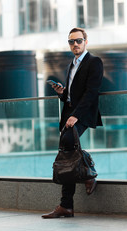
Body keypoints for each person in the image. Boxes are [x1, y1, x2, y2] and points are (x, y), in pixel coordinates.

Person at [42, 27, 103, 219]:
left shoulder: (94, 62)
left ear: (86, 42)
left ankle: (88, 174)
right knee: (68, 152)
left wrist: (76, 115)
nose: (75, 44)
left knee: (68, 147)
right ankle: (67, 205)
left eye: (78, 41)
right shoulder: (72, 64)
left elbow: (92, 92)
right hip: (69, 113)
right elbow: (73, 93)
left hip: (82, 114)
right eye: (71, 42)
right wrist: (63, 93)